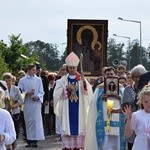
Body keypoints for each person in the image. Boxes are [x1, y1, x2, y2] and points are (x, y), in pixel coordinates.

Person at [53, 52, 93, 150]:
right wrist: (66, 88)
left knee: (79, 129)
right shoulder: (63, 80)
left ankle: (77, 147)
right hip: (67, 108)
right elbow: (56, 94)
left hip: (79, 108)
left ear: (76, 68)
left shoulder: (81, 79)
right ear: (67, 68)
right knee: (68, 129)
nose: (72, 69)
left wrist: (84, 84)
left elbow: (88, 92)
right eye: (70, 67)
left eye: (74, 67)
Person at [84, 66, 126, 150]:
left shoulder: (121, 87)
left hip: (118, 117)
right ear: (104, 75)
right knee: (106, 140)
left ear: (115, 74)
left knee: (117, 140)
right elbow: (92, 103)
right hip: (104, 117)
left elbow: (125, 101)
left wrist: (120, 97)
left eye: (111, 74)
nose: (109, 75)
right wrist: (101, 98)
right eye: (107, 74)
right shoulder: (100, 87)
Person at [18, 64, 45, 147]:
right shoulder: (22, 80)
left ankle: (35, 141)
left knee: (36, 122)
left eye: (35, 70)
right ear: (28, 70)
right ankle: (29, 140)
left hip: (36, 104)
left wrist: (38, 97)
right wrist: (27, 93)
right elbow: (19, 92)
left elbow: (41, 91)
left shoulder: (38, 80)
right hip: (27, 103)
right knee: (28, 122)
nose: (35, 71)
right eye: (33, 70)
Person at [121, 64, 147, 150]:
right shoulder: (128, 89)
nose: (137, 79)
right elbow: (124, 106)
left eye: (139, 76)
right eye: (134, 76)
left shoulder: (147, 90)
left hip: (144, 121)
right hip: (131, 119)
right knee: (132, 144)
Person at [123, 83, 150, 150]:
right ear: (141, 102)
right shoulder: (137, 115)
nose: (149, 104)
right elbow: (128, 135)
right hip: (140, 145)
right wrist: (129, 118)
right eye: (146, 102)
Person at [3, 72, 23, 150]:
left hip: (15, 111)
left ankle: (14, 143)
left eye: (9, 80)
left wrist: (14, 105)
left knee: (15, 129)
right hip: (5, 111)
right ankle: (7, 145)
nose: (8, 82)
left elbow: (21, 100)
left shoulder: (16, 89)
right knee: (6, 128)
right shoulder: (2, 89)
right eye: (6, 81)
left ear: (12, 80)